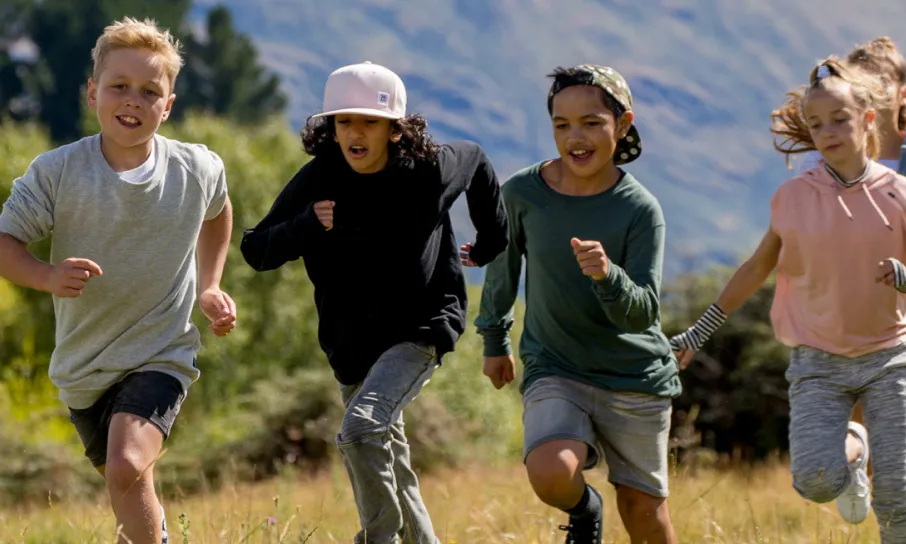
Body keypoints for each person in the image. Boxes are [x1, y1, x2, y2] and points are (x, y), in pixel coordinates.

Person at [669, 57, 906, 544]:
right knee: (814, 480)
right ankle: (857, 447)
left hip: (891, 359)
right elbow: (756, 268)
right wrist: (699, 331)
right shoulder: (793, 197)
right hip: (817, 363)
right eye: (816, 124)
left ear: (868, 120)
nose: (827, 132)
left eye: (840, 120)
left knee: (899, 492)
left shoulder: (905, 194)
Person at [239, 61, 508, 544]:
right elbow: (256, 250)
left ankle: (376, 539)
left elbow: (477, 160)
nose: (355, 133)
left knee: (361, 429)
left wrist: (491, 240)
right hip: (350, 345)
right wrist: (306, 225)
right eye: (344, 122)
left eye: (369, 122)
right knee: (389, 461)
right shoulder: (319, 179)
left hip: (421, 326)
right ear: (331, 128)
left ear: (395, 129)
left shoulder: (429, 171)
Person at [0, 17, 236, 544]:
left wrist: (210, 284)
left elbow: (218, 212)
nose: (133, 100)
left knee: (127, 463)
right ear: (92, 93)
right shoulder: (57, 173)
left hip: (161, 353)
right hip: (83, 371)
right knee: (126, 482)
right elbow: (5, 243)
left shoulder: (196, 168)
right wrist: (45, 274)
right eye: (119, 87)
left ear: (168, 105)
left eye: (150, 91)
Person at [473, 64, 680, 544]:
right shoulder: (522, 194)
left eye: (591, 122)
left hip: (635, 377)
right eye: (561, 125)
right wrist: (494, 340)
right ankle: (586, 512)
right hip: (556, 365)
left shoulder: (640, 210)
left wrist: (608, 276)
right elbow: (502, 272)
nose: (575, 138)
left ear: (623, 124)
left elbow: (643, 311)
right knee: (549, 471)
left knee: (645, 517)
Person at [794, 37, 906, 496]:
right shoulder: (821, 160)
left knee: (900, 431)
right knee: (863, 436)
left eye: (878, 83)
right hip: (849, 312)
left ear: (903, 93)